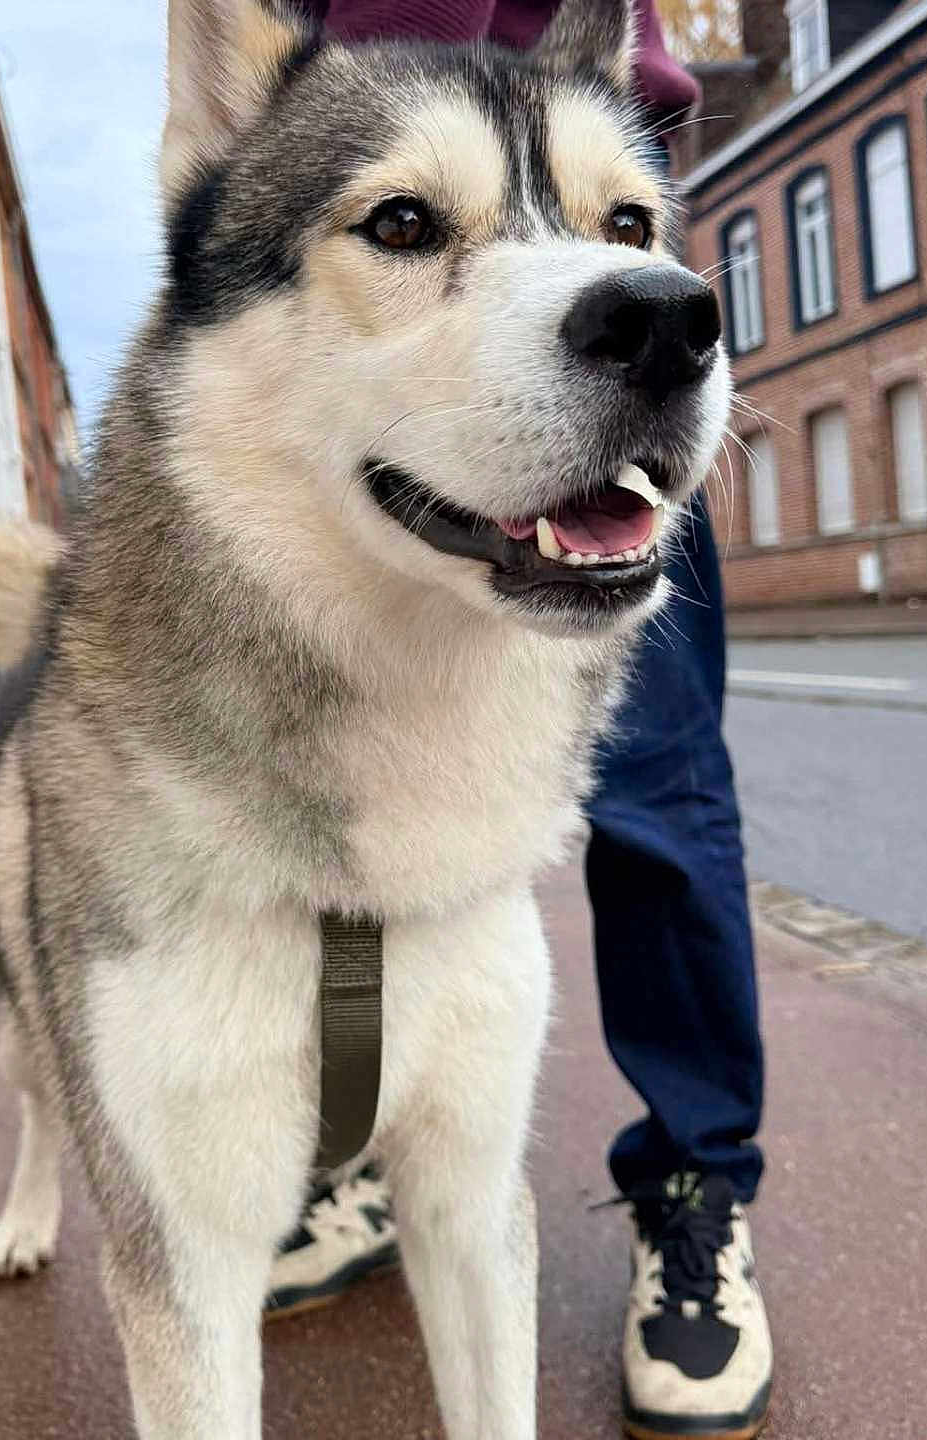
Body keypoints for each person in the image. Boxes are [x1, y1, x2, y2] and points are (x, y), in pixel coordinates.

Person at [266, 3, 772, 1436]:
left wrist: (594, 222)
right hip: (357, 224)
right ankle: (371, 1164)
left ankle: (693, 1189)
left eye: (642, 225)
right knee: (337, 838)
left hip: (553, 170)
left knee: (658, 813)